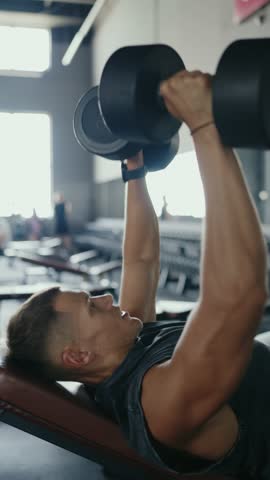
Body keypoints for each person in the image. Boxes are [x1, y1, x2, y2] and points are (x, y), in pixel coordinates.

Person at [5, 71, 269, 478]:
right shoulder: (160, 402)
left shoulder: (123, 351)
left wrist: (133, 168)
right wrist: (204, 127)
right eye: (93, 307)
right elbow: (238, 297)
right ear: (78, 356)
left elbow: (141, 261)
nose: (108, 299)